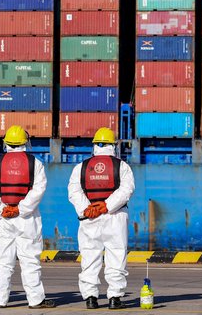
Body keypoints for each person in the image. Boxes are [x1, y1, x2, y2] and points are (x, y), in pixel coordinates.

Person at [0, 125, 55, 309]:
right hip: (27, 219)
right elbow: (39, 190)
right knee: (30, 260)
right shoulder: (35, 163)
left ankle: (0, 300)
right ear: (25, 142)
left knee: (1, 262)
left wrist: (1, 209)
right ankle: (35, 300)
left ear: (6, 142)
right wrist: (20, 209)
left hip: (3, 220)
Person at [67, 127, 135, 310]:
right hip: (115, 216)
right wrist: (107, 205)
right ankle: (115, 297)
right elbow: (127, 190)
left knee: (89, 257)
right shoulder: (122, 166)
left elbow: (74, 191)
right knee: (116, 255)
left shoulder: (80, 167)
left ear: (95, 145)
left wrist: (87, 209)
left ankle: (90, 298)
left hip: (90, 219)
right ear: (113, 145)